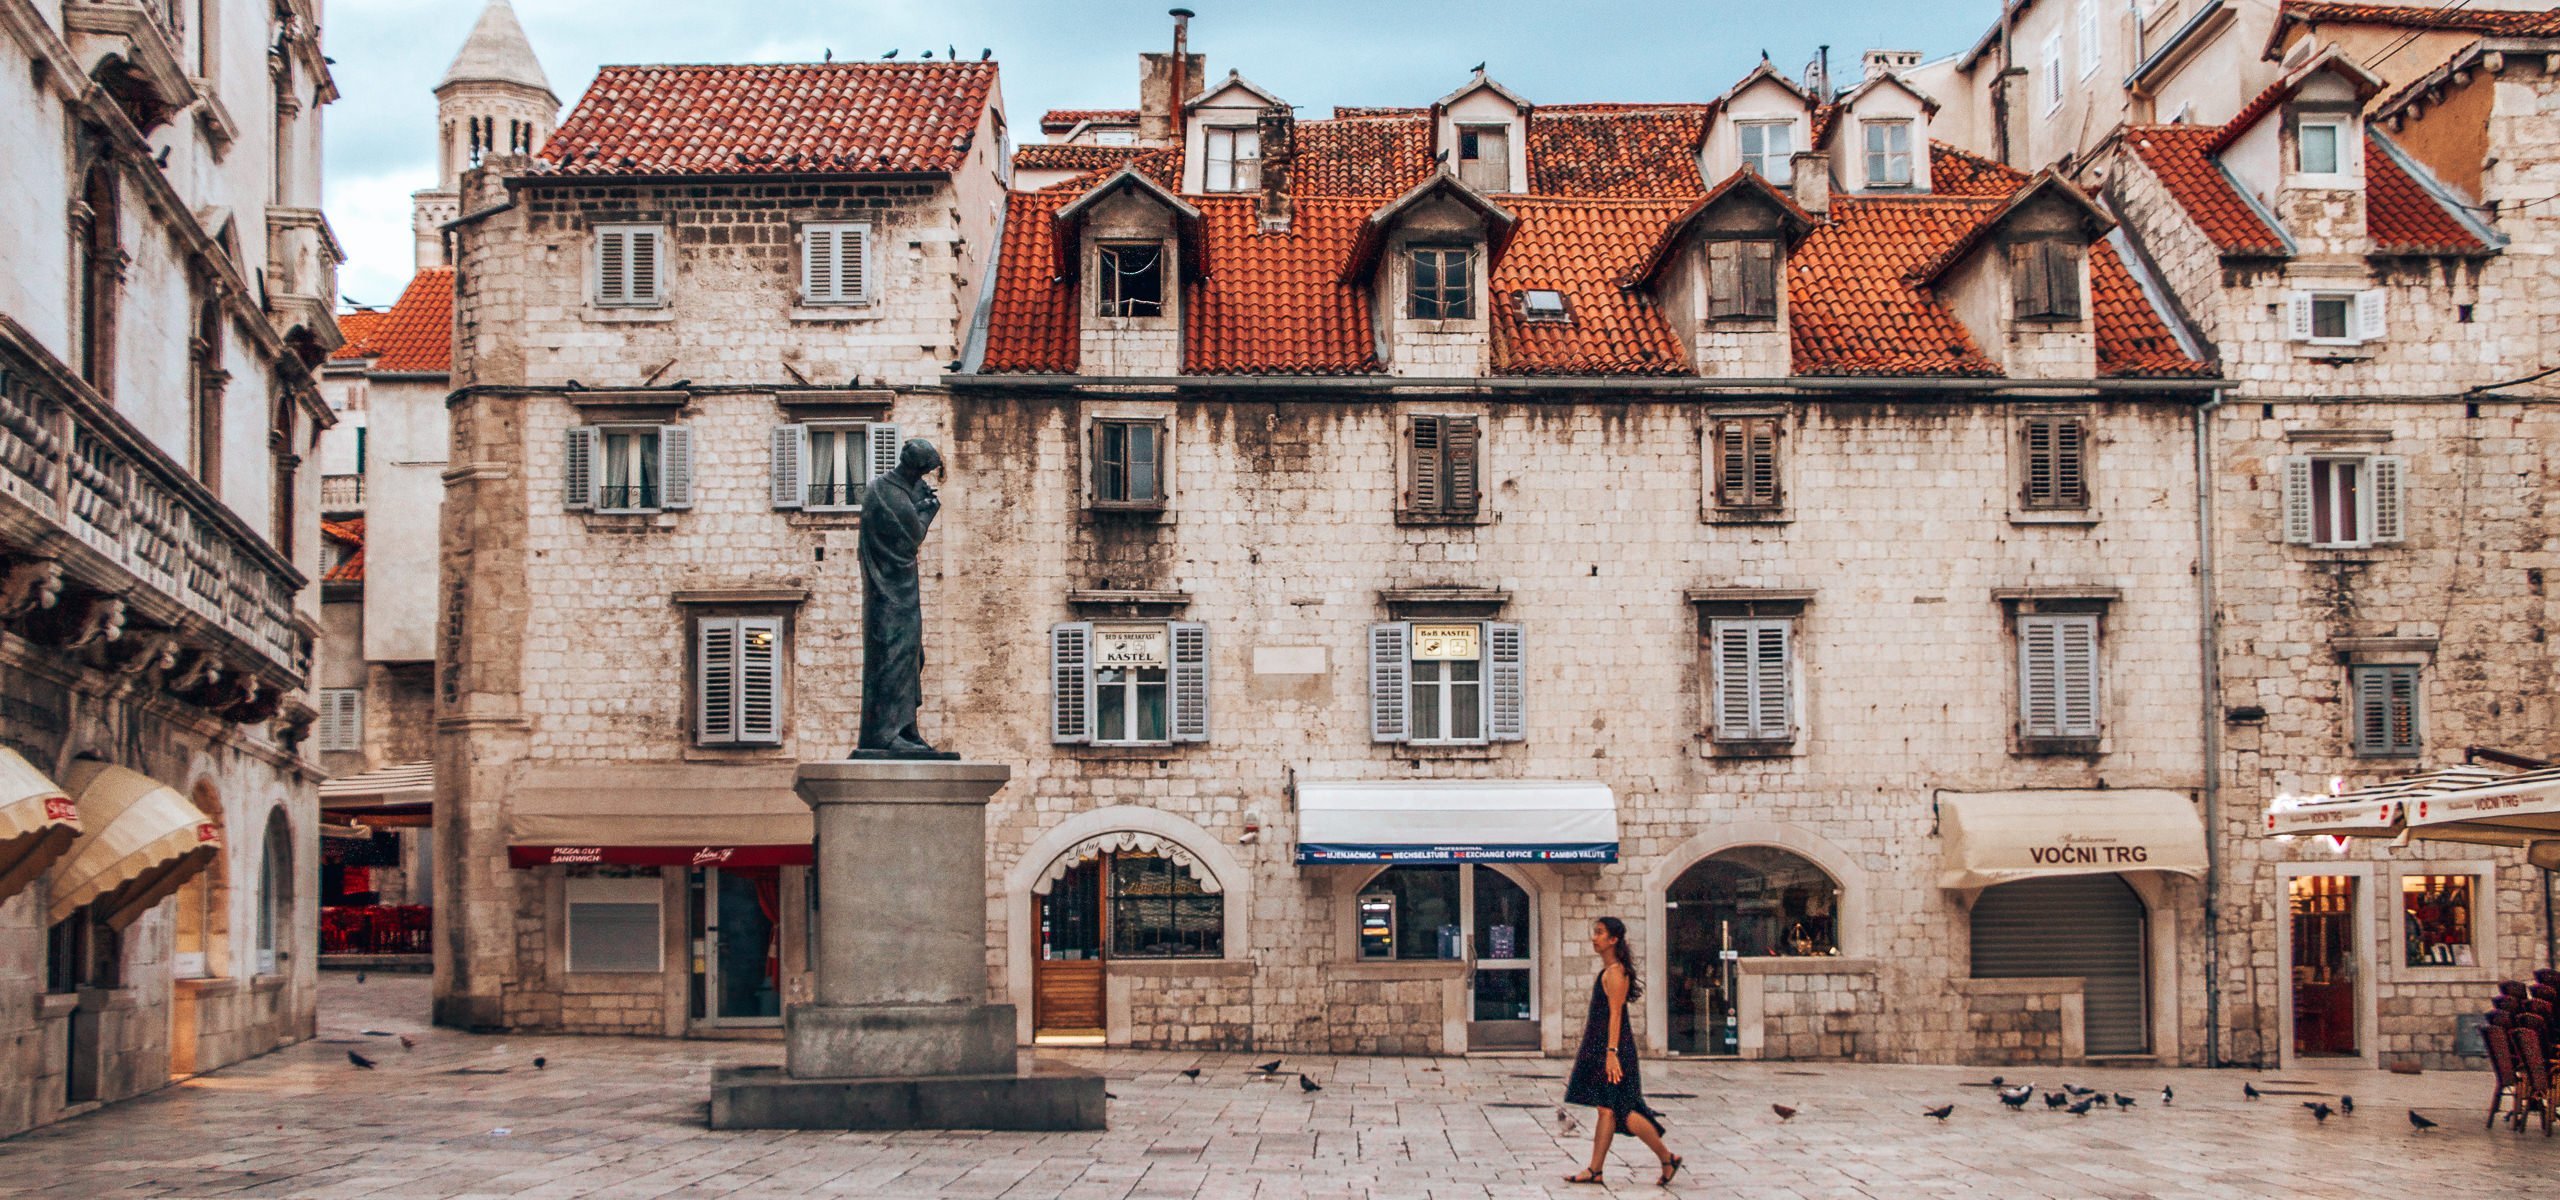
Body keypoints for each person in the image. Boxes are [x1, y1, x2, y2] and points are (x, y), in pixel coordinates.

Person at [1564, 916, 1682, 1186]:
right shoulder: (1609, 972)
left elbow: (1616, 1015)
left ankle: (1667, 1158)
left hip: (1614, 1049)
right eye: (1594, 932)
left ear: (1613, 939)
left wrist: (1611, 1053)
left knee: (1624, 1111)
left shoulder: (1616, 973)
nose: (1594, 938)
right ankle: (1596, 1170)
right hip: (1605, 1048)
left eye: (1600, 933)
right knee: (1608, 1109)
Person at [856, 438, 943, 753]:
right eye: (925, 473)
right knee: (895, 657)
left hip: (896, 592)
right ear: (916, 468)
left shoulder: (884, 488)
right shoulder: (892, 496)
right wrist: (928, 513)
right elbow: (910, 539)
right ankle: (887, 734)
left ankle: (906, 728)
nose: (925, 480)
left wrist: (916, 503)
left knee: (909, 658)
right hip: (893, 595)